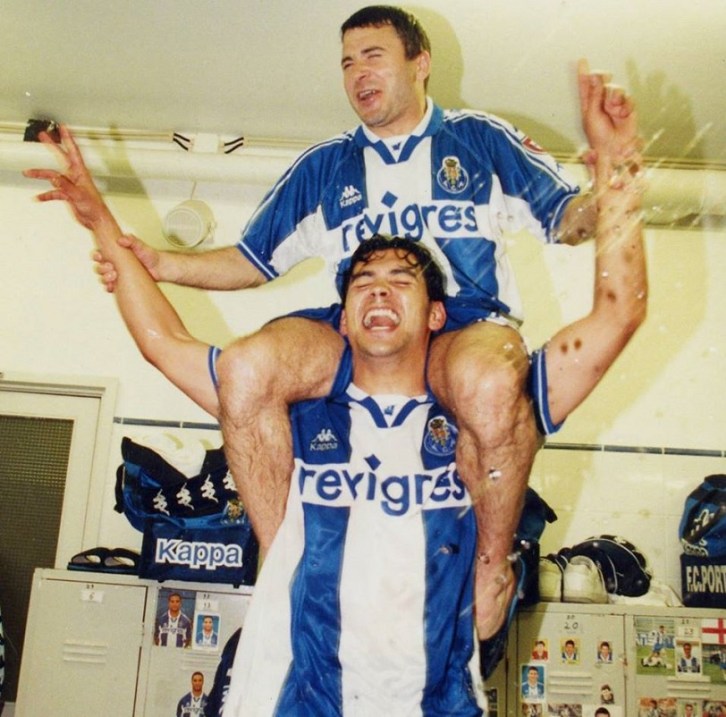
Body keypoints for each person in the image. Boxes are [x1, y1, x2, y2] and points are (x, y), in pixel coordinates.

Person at [26, 65, 645, 710]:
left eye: (402, 280)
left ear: (438, 314)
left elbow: (618, 314)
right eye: (362, 281)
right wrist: (100, 220)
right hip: (300, 694)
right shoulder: (299, 415)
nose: (378, 290)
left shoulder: (488, 413)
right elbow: (163, 342)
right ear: (340, 318)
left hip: (430, 697)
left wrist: (620, 168)